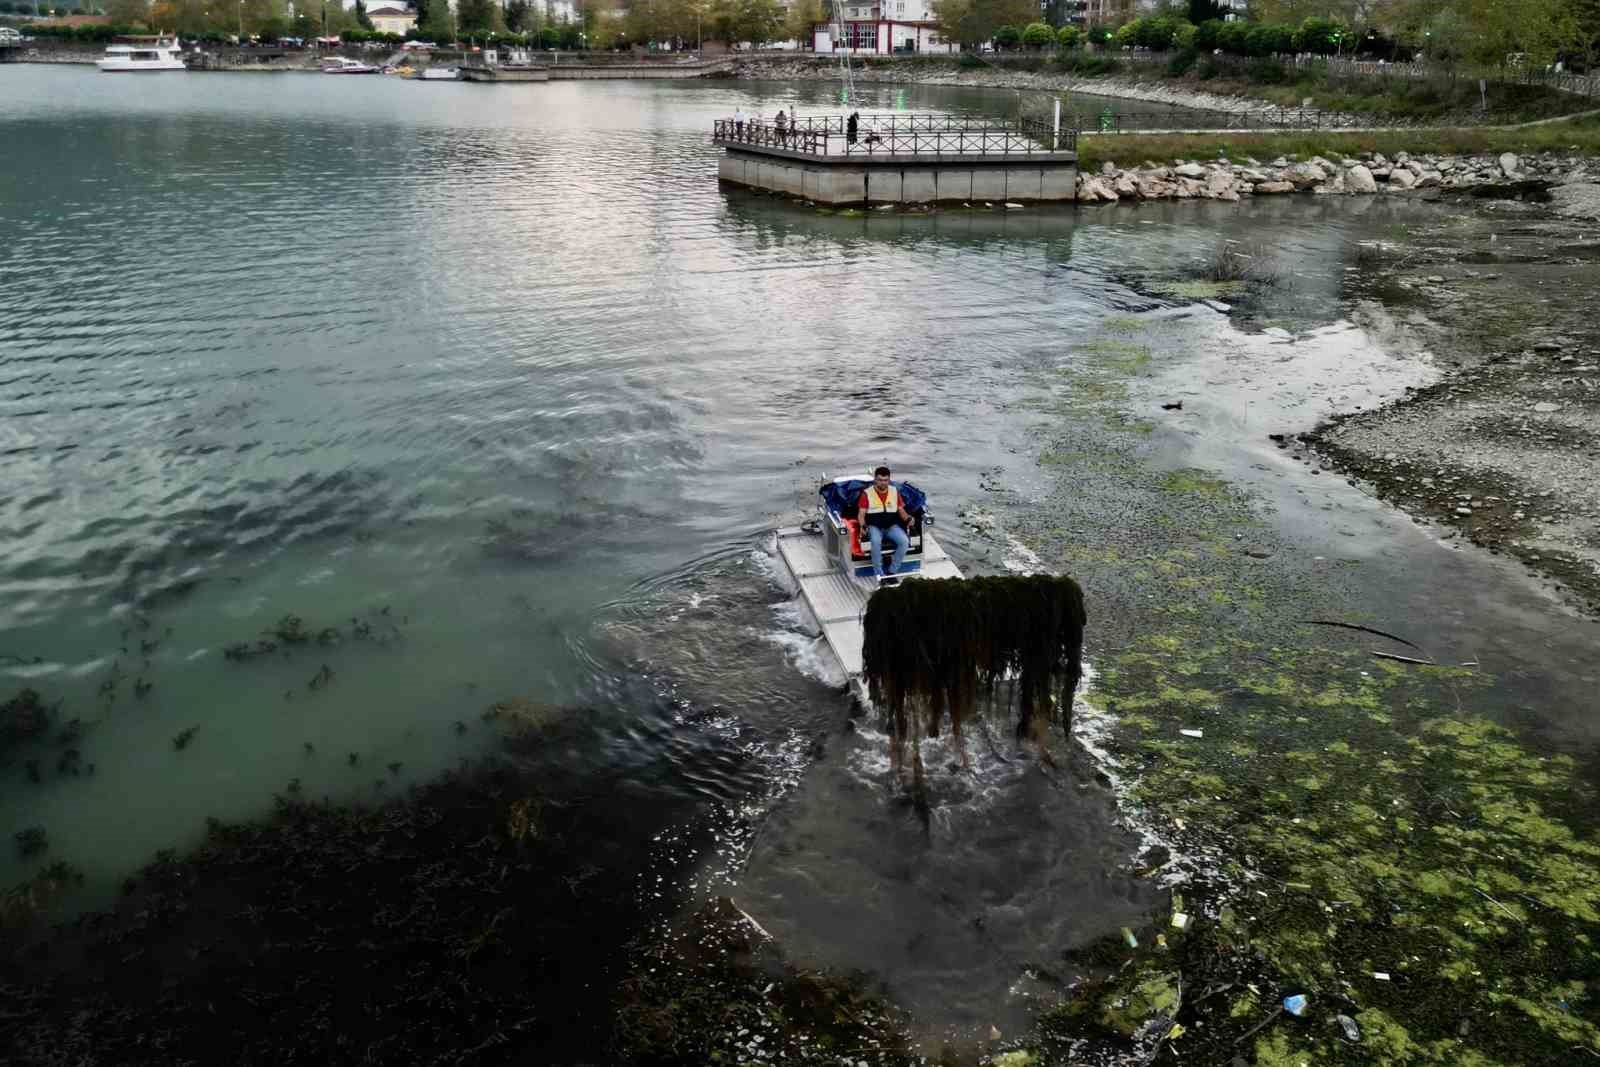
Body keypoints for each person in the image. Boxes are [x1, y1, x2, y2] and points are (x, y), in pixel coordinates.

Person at [857, 466, 913, 579]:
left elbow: (901, 510)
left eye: (885, 480)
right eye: (880, 480)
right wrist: (862, 526)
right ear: (875, 480)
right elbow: (861, 514)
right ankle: (879, 573)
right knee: (875, 542)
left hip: (891, 526)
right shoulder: (866, 494)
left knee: (904, 541)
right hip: (874, 527)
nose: (883, 483)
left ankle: (892, 572)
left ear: (889, 480)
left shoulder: (894, 491)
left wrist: (908, 519)